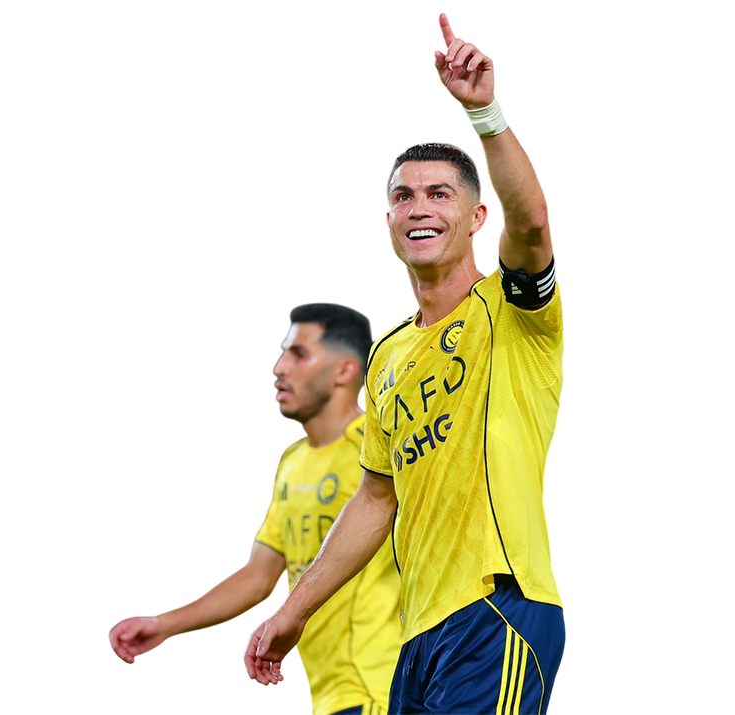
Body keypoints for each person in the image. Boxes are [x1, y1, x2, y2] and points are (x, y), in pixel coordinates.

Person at [246, 14, 565, 714]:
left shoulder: (512, 311)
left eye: (439, 193)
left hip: (499, 608)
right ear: (389, 220)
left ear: (480, 220)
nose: (418, 207)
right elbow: (375, 498)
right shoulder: (387, 356)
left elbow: (535, 226)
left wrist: (483, 110)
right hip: (417, 638)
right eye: (402, 196)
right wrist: (293, 610)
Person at [109, 303, 403, 715]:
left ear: (344, 370)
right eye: (282, 354)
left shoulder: (379, 444)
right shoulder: (295, 464)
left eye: (299, 354)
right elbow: (258, 578)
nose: (280, 368)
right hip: (319, 694)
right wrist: (164, 624)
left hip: (379, 687)